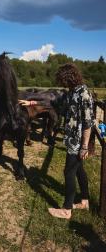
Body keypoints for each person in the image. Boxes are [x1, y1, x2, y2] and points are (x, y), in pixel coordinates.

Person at [47, 63, 95, 219]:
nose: (62, 84)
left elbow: (88, 123)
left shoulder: (84, 94)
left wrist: (84, 147)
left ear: (70, 78)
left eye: (63, 80)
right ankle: (85, 201)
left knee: (69, 172)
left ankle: (67, 209)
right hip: (71, 139)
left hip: (78, 142)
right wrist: (33, 103)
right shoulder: (72, 92)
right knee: (79, 170)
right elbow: (55, 104)